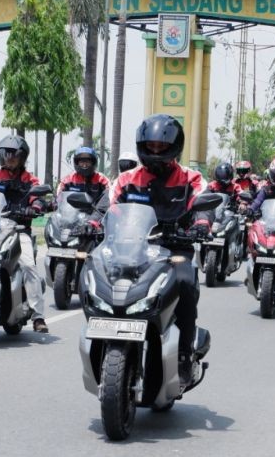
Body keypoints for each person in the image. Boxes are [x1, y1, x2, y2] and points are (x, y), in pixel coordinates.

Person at [110, 114, 213, 386]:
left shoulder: (191, 178)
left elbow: (205, 203)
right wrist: (94, 222)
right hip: (132, 249)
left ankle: (184, 354)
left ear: (174, 146)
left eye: (161, 146)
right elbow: (106, 207)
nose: (155, 151)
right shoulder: (126, 179)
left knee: (186, 282)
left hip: (174, 250)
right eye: (150, 146)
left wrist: (202, 223)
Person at [0, 135, 50, 333]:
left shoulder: (30, 179)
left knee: (28, 265)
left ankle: (38, 316)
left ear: (22, 157)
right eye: (5, 154)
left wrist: (34, 207)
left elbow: (39, 198)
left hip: (18, 231)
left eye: (13, 155)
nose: (9, 158)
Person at [57, 146, 110, 230]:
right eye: (82, 161)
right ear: (77, 163)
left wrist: (94, 219)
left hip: (96, 222)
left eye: (87, 161)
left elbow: (109, 198)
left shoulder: (102, 180)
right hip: (71, 220)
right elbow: (59, 198)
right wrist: (53, 203)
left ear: (93, 163)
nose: (84, 165)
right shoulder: (67, 180)